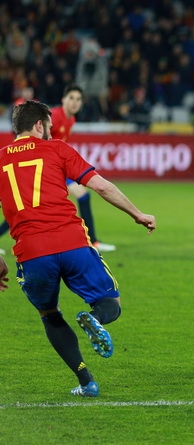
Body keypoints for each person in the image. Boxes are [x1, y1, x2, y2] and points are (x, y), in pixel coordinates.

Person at [0, 100, 156, 397]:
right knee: (111, 302)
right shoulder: (58, 149)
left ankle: (87, 382)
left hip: (32, 254)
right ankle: (95, 319)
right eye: (48, 125)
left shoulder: (0, 160)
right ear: (38, 125)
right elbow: (101, 186)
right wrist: (137, 214)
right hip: (72, 243)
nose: (50, 130)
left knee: (49, 314)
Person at [0, 85, 116, 253]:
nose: (75, 102)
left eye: (78, 99)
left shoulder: (71, 120)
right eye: (71, 98)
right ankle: (91, 241)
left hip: (55, 165)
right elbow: (30, 134)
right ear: (64, 100)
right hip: (43, 166)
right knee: (23, 206)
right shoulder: (54, 116)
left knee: (82, 195)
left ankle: (93, 240)